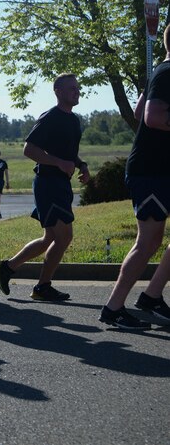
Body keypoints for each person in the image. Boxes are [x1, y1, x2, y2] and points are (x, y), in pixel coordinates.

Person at [0, 73, 90, 302]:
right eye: (71, 88)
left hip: (60, 184)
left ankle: (8, 267)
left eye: (78, 88)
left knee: (49, 238)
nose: (76, 92)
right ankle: (42, 287)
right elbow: (29, 150)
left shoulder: (73, 120)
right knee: (64, 237)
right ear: (57, 91)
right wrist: (59, 163)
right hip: (48, 183)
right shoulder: (51, 117)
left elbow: (67, 152)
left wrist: (81, 165)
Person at [99, 25, 170, 329]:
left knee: (152, 239)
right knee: (148, 241)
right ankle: (113, 308)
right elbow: (153, 117)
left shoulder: (159, 72)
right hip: (151, 170)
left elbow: (140, 109)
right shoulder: (167, 73)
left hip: (162, 169)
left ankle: (152, 297)